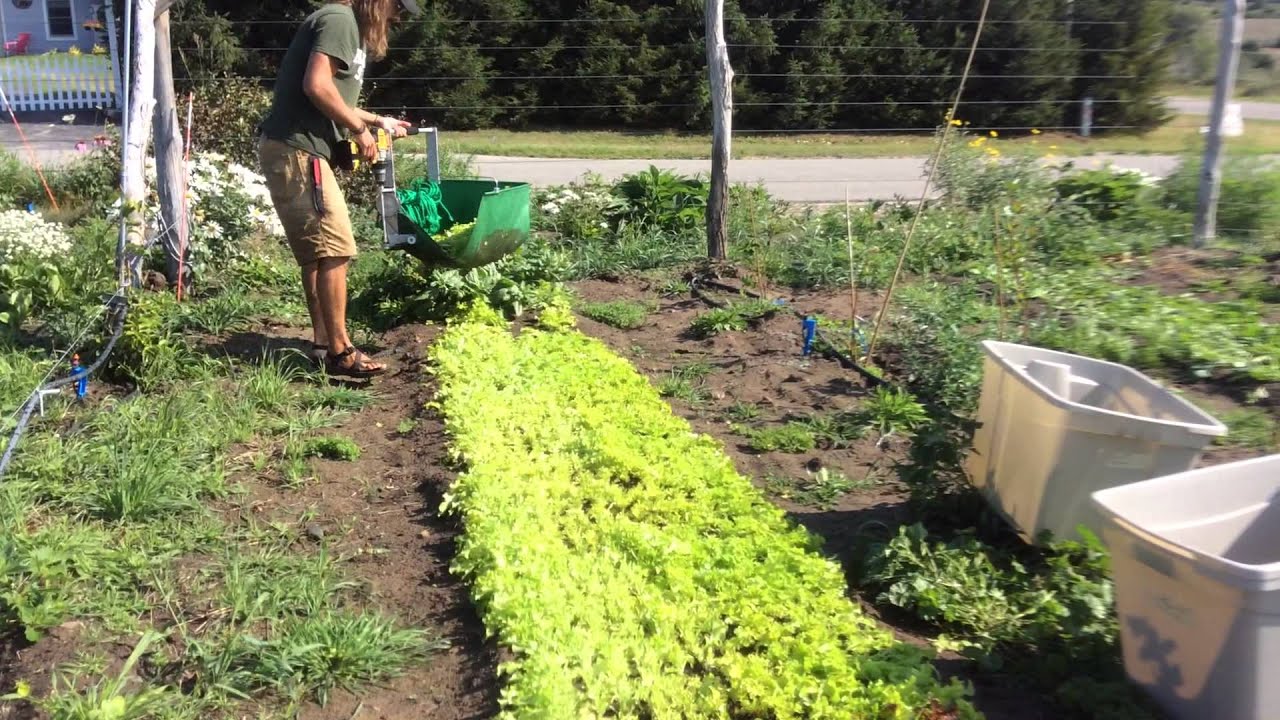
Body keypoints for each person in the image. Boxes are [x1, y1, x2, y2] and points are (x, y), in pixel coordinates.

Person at [257, 0, 420, 378]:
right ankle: (340, 353)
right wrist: (359, 131)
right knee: (336, 247)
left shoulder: (342, 24)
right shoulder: (340, 20)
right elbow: (316, 86)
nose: (398, 17)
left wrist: (378, 120)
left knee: (318, 253)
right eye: (397, 7)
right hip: (299, 149)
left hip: (296, 148)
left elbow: (333, 96)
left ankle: (321, 344)